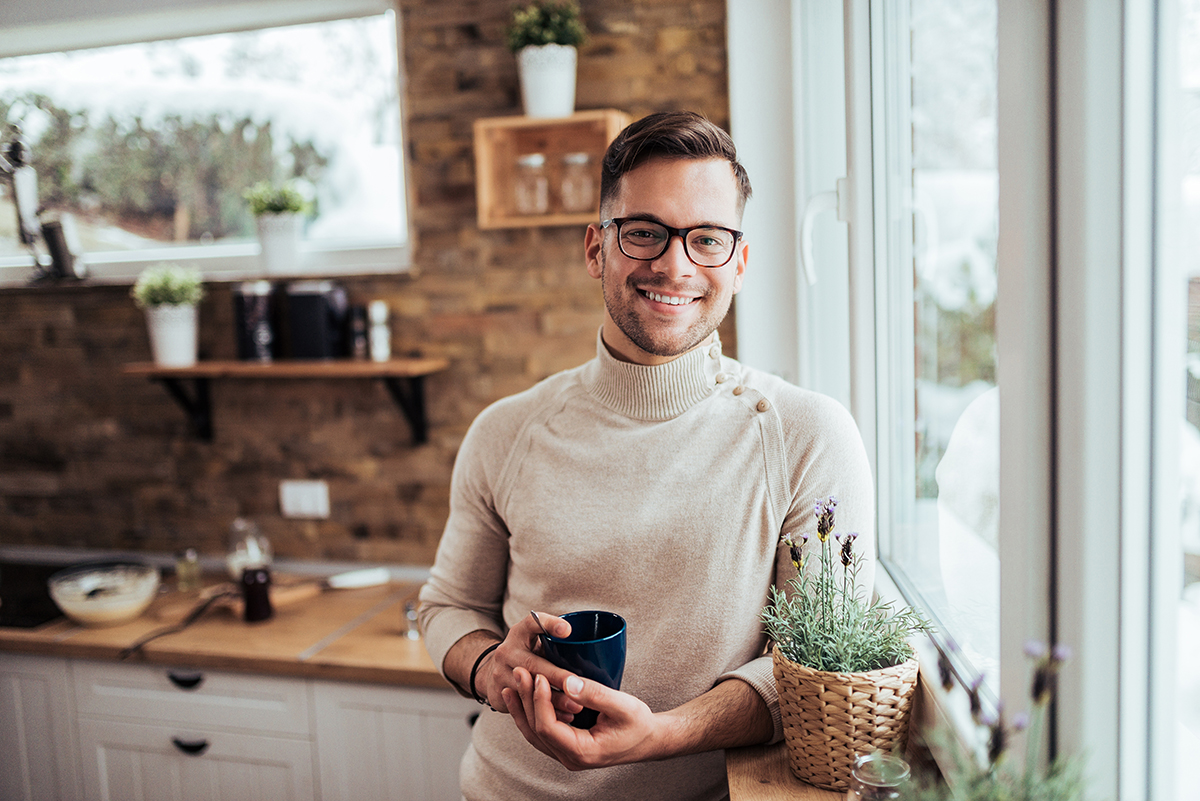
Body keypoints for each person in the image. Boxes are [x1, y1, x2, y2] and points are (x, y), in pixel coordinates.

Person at [418, 110, 874, 801]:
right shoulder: (504, 432)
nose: (674, 263)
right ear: (596, 248)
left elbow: (812, 673)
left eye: (707, 239)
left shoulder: (807, 435)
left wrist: (660, 733)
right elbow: (447, 605)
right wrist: (491, 669)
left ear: (739, 263)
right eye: (644, 232)